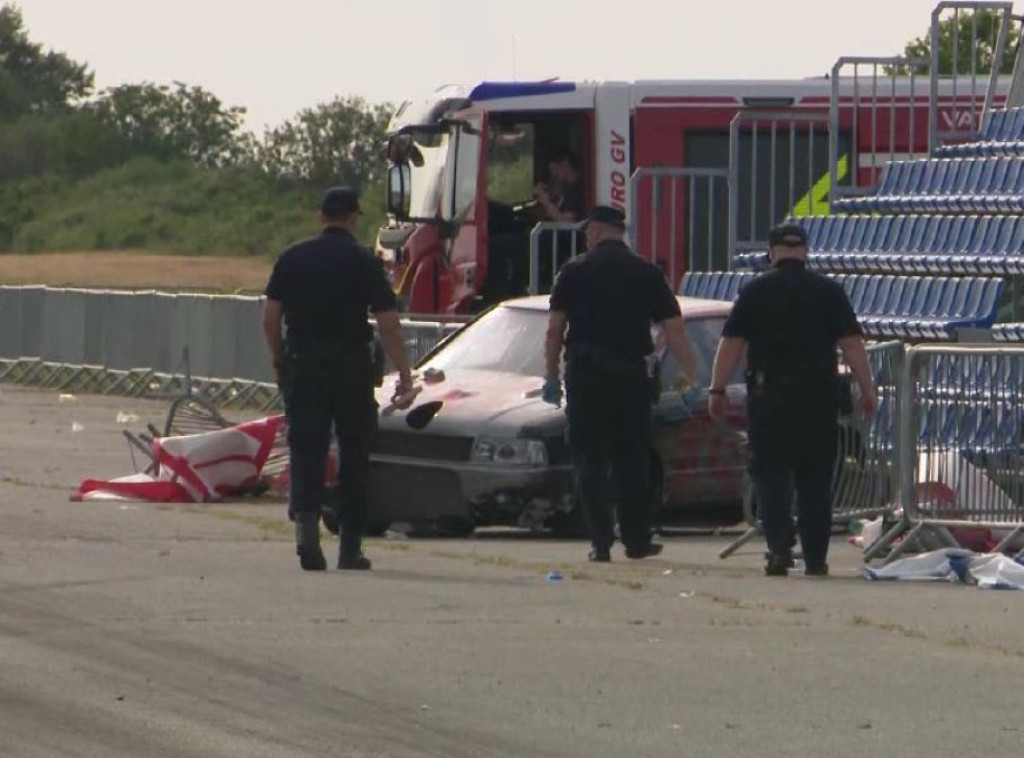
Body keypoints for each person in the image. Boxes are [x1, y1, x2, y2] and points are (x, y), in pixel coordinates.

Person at [707, 223, 878, 578]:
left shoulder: (754, 292)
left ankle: (778, 550)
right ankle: (815, 558)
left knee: (771, 477)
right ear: (805, 251)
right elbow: (851, 343)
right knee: (814, 479)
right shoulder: (829, 291)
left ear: (771, 252)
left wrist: (717, 389)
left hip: (770, 397)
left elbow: (732, 344)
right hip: (818, 397)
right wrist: (867, 388)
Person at [262, 187, 413, 572]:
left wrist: (280, 360)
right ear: (353, 218)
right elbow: (388, 324)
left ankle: (307, 536)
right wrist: (405, 373)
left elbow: (271, 318)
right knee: (355, 455)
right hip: (350, 368)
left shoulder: (292, 258)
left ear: (321, 216)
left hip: (304, 365)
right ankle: (350, 547)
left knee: (306, 450)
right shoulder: (365, 261)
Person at [544, 205, 699, 562]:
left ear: (598, 231)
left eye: (587, 231)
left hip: (585, 375)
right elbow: (674, 330)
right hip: (631, 375)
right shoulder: (647, 272)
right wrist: (688, 377)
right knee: (632, 459)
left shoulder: (573, 271)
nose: (585, 237)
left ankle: (599, 542)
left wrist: (550, 375)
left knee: (589, 459)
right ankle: (636, 540)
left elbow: (554, 329)